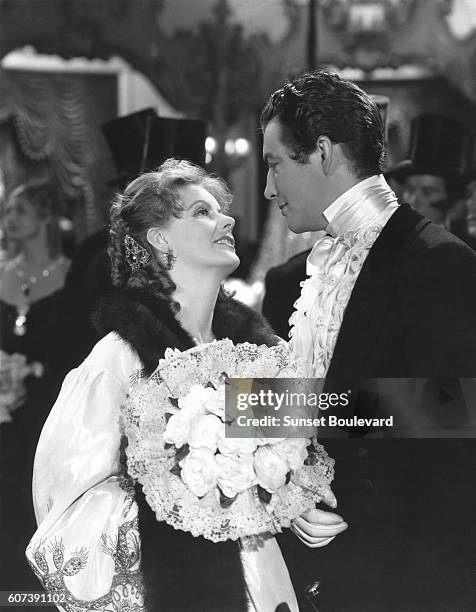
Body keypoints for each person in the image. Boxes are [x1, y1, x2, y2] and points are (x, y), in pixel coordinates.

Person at [26, 159, 347, 612]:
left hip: (267, 579)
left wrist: (297, 497)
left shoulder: (256, 350)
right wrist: (187, 499)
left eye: (221, 211)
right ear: (158, 240)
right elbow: (65, 504)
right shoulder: (120, 360)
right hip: (182, 588)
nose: (228, 219)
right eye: (202, 212)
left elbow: (305, 446)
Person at [260, 70, 476, 610]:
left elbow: (455, 410)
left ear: (324, 152)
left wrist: (269, 407)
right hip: (308, 570)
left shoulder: (437, 261)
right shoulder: (290, 277)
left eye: (275, 164)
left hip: (403, 576)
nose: (268, 188)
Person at [0, 180, 71, 589]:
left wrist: (36, 372)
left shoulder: (70, 276)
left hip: (48, 410)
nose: (9, 220)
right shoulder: (3, 272)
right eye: (7, 212)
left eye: (20, 211)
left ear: (45, 217)